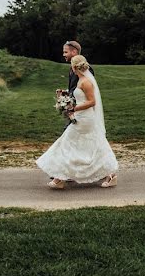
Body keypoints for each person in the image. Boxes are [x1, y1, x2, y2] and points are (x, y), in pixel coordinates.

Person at [37, 54, 118, 189]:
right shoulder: (80, 80)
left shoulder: (86, 82)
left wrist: (74, 108)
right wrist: (64, 95)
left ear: (75, 67)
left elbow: (92, 102)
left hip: (85, 118)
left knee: (68, 144)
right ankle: (61, 177)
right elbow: (78, 96)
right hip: (80, 117)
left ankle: (60, 178)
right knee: (89, 145)